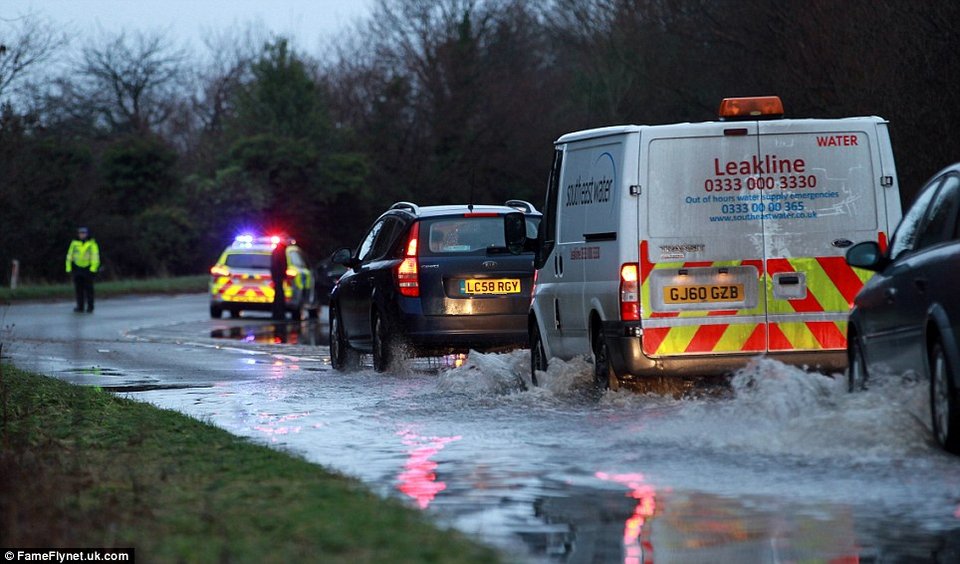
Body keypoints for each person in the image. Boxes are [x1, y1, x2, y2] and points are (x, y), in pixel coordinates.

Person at [65, 226, 100, 313]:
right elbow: (69, 256)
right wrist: (68, 268)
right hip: (77, 268)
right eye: (80, 233)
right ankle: (80, 306)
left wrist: (93, 269)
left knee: (89, 289)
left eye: (84, 233)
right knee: (78, 289)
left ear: (87, 234)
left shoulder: (92, 244)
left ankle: (90, 307)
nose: (82, 235)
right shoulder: (74, 244)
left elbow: (95, 257)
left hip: (88, 268)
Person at [270, 240, 288, 320]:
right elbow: (278, 264)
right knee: (279, 296)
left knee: (278, 295)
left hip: (277, 276)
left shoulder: (277, 250)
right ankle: (279, 314)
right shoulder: (280, 251)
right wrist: (281, 275)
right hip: (278, 277)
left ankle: (277, 314)